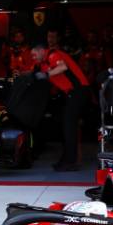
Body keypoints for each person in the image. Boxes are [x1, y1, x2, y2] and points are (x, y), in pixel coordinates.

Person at [32, 41, 89, 171]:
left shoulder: (53, 55)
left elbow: (63, 67)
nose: (33, 57)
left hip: (78, 90)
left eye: (34, 54)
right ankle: (68, 159)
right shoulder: (42, 63)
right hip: (70, 93)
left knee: (69, 126)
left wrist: (46, 75)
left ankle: (71, 161)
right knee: (66, 125)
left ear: (41, 51)